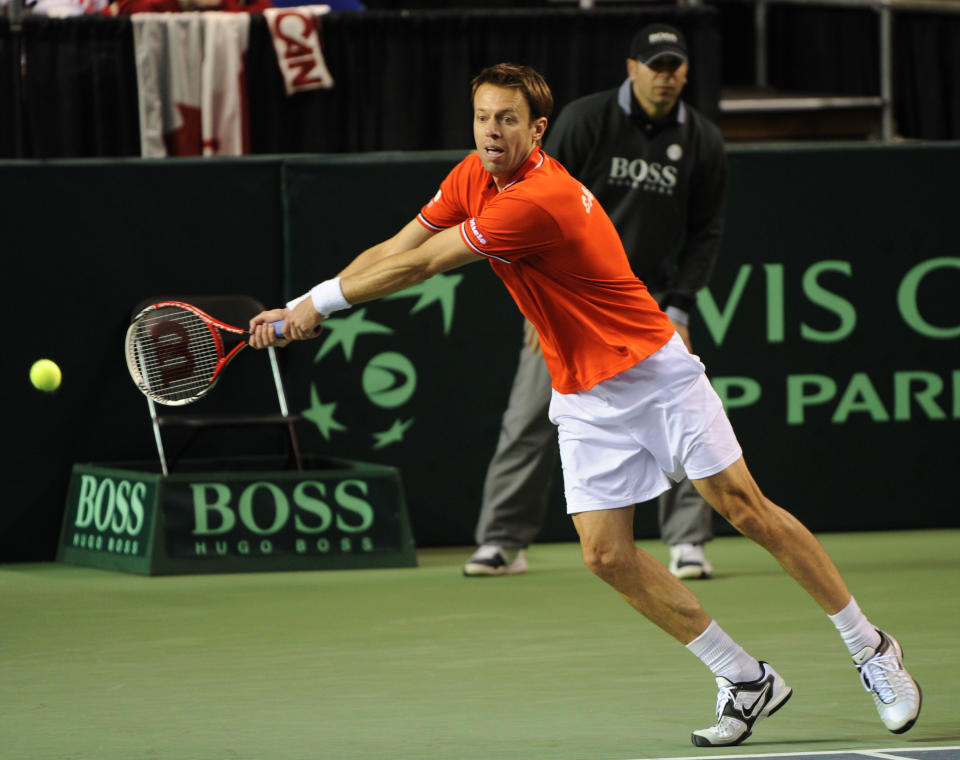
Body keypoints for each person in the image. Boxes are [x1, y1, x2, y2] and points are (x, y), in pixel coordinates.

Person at [249, 63, 922, 747]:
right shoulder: (471, 177)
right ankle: (745, 679)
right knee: (605, 556)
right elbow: (399, 246)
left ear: (537, 129)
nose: (491, 131)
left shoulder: (537, 198)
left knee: (745, 507)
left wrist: (315, 305)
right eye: (483, 117)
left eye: (508, 119)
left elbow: (422, 267)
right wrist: (308, 302)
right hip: (582, 392)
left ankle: (871, 648)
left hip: (654, 374)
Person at [465, 23, 723, 580]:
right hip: (565, 301)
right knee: (529, 417)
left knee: (683, 423)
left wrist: (678, 307)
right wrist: (538, 306)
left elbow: (706, 232)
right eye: (655, 66)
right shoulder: (587, 120)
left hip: (643, 306)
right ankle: (502, 540)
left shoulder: (702, 139)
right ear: (632, 68)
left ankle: (687, 544)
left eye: (675, 66)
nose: (666, 76)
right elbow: (529, 203)